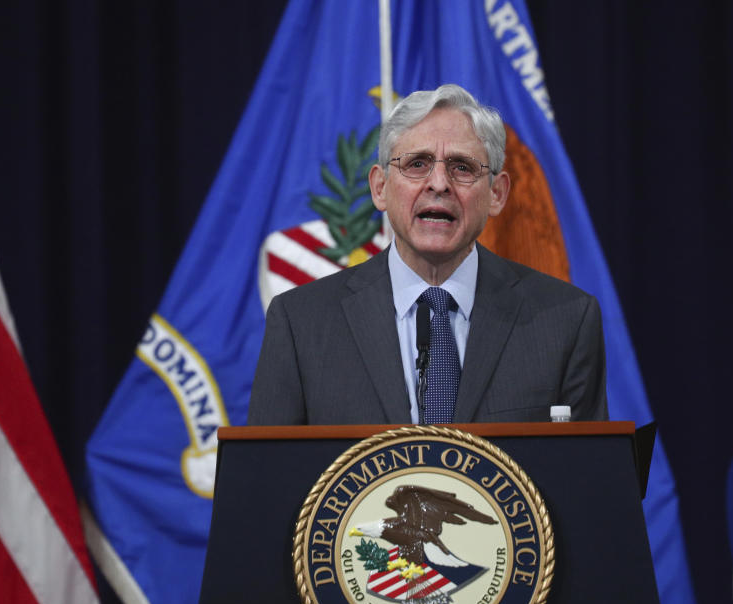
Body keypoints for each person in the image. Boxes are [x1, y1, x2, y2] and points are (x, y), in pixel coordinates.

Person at [247, 84, 607, 426]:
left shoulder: (564, 321)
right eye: (417, 164)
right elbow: (267, 483)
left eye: (462, 167)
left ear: (496, 194)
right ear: (380, 188)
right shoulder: (301, 324)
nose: (438, 183)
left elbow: (589, 481)